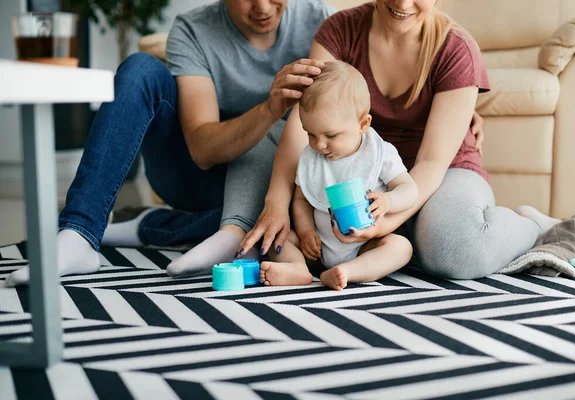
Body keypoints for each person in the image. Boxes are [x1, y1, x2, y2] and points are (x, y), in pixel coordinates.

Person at [4, 0, 336, 287]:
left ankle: (151, 226)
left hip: (277, 190)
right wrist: (269, 108)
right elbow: (202, 151)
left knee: (279, 223)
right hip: (195, 177)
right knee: (140, 69)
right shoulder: (194, 30)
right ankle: (79, 230)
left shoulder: (320, 19)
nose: (262, 7)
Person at [238, 0, 562, 280]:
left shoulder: (456, 50)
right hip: (360, 172)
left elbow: (433, 164)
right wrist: (276, 202)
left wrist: (381, 226)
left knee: (452, 248)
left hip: (442, 171)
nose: (403, 4)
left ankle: (530, 224)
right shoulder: (340, 30)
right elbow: (304, 118)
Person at [260, 60, 418, 290]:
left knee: (401, 248)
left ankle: (348, 272)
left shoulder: (379, 153)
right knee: (280, 239)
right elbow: (301, 200)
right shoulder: (310, 158)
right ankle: (298, 268)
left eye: (331, 135)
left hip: (366, 244)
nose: (320, 145)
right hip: (319, 247)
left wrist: (388, 201)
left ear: (363, 124)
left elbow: (410, 190)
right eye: (310, 134)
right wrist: (305, 233)